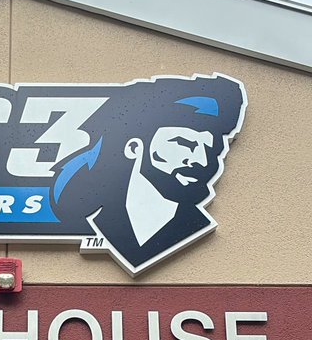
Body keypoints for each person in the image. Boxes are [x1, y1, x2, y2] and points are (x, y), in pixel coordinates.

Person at [53, 72, 247, 274]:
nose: (201, 160)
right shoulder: (94, 223)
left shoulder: (194, 227)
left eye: (210, 148)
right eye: (183, 143)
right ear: (135, 148)